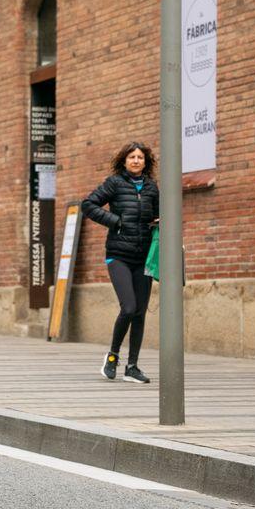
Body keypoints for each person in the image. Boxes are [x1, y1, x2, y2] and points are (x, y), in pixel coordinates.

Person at [82, 140, 160, 384]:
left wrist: (158, 221)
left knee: (139, 313)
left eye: (140, 157)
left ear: (145, 162)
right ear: (124, 161)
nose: (136, 161)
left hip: (143, 256)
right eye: (132, 157)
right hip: (119, 255)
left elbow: (158, 214)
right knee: (128, 307)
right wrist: (115, 221)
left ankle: (132, 367)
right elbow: (88, 204)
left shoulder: (151, 187)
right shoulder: (115, 183)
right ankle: (112, 356)